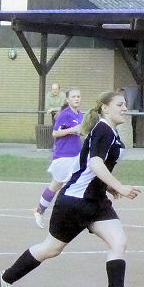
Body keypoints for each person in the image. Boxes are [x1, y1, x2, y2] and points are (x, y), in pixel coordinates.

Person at [0, 91, 144, 287]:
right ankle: (5, 279)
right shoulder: (103, 128)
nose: (124, 108)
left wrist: (110, 188)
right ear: (104, 107)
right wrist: (120, 186)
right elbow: (94, 163)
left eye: (125, 105)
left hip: (96, 202)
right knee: (51, 248)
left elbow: (90, 167)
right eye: (119, 104)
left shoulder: (110, 132)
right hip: (75, 201)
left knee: (118, 241)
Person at [33, 88, 83, 229]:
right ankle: (42, 212)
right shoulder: (64, 114)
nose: (76, 99)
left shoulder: (79, 114)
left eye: (78, 96)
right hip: (64, 156)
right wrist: (72, 130)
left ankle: (46, 211)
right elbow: (55, 133)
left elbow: (80, 131)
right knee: (58, 185)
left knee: (69, 184)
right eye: (73, 96)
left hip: (76, 155)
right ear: (67, 99)